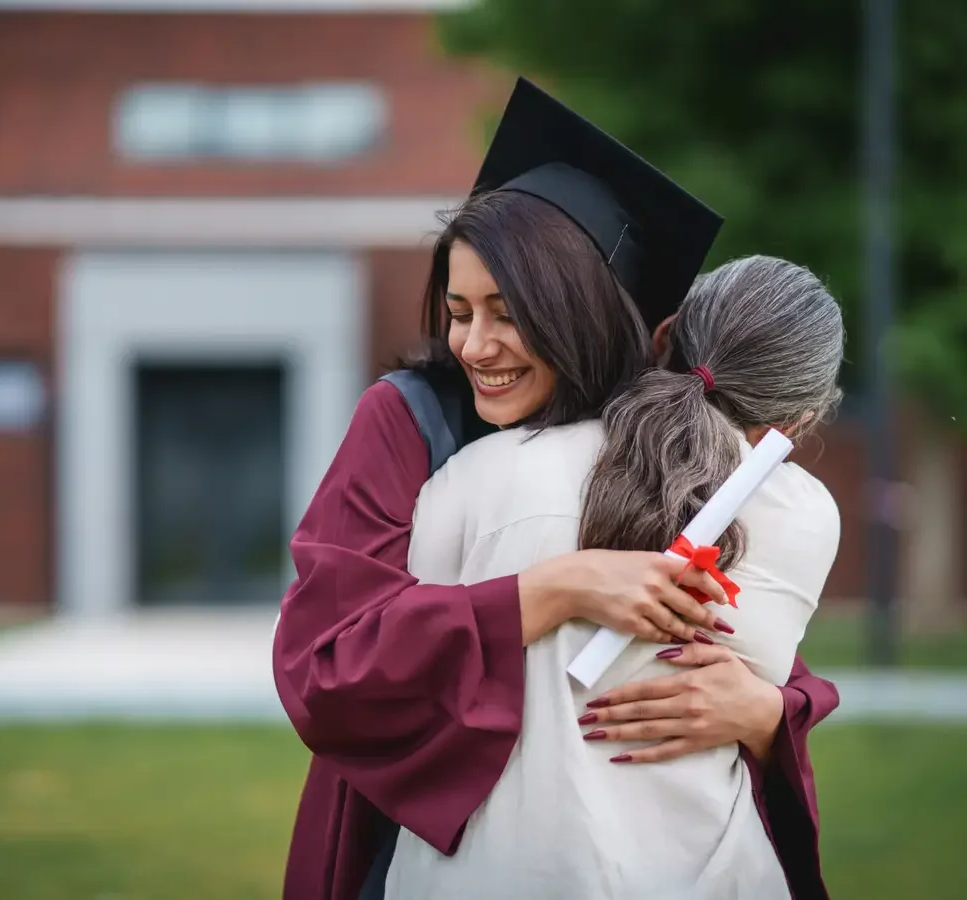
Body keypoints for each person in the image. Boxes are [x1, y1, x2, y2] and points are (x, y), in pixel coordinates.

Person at [272, 77, 839, 900]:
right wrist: (556, 587)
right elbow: (324, 669)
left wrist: (766, 713)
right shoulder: (414, 421)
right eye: (459, 310)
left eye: (508, 312)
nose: (473, 345)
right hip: (414, 830)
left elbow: (745, 630)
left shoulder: (661, 431)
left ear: (582, 308)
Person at [384, 251, 843, 899]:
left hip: (493, 871)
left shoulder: (480, 474)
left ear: (663, 337)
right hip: (710, 872)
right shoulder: (808, 518)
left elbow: (407, 668)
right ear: (798, 421)